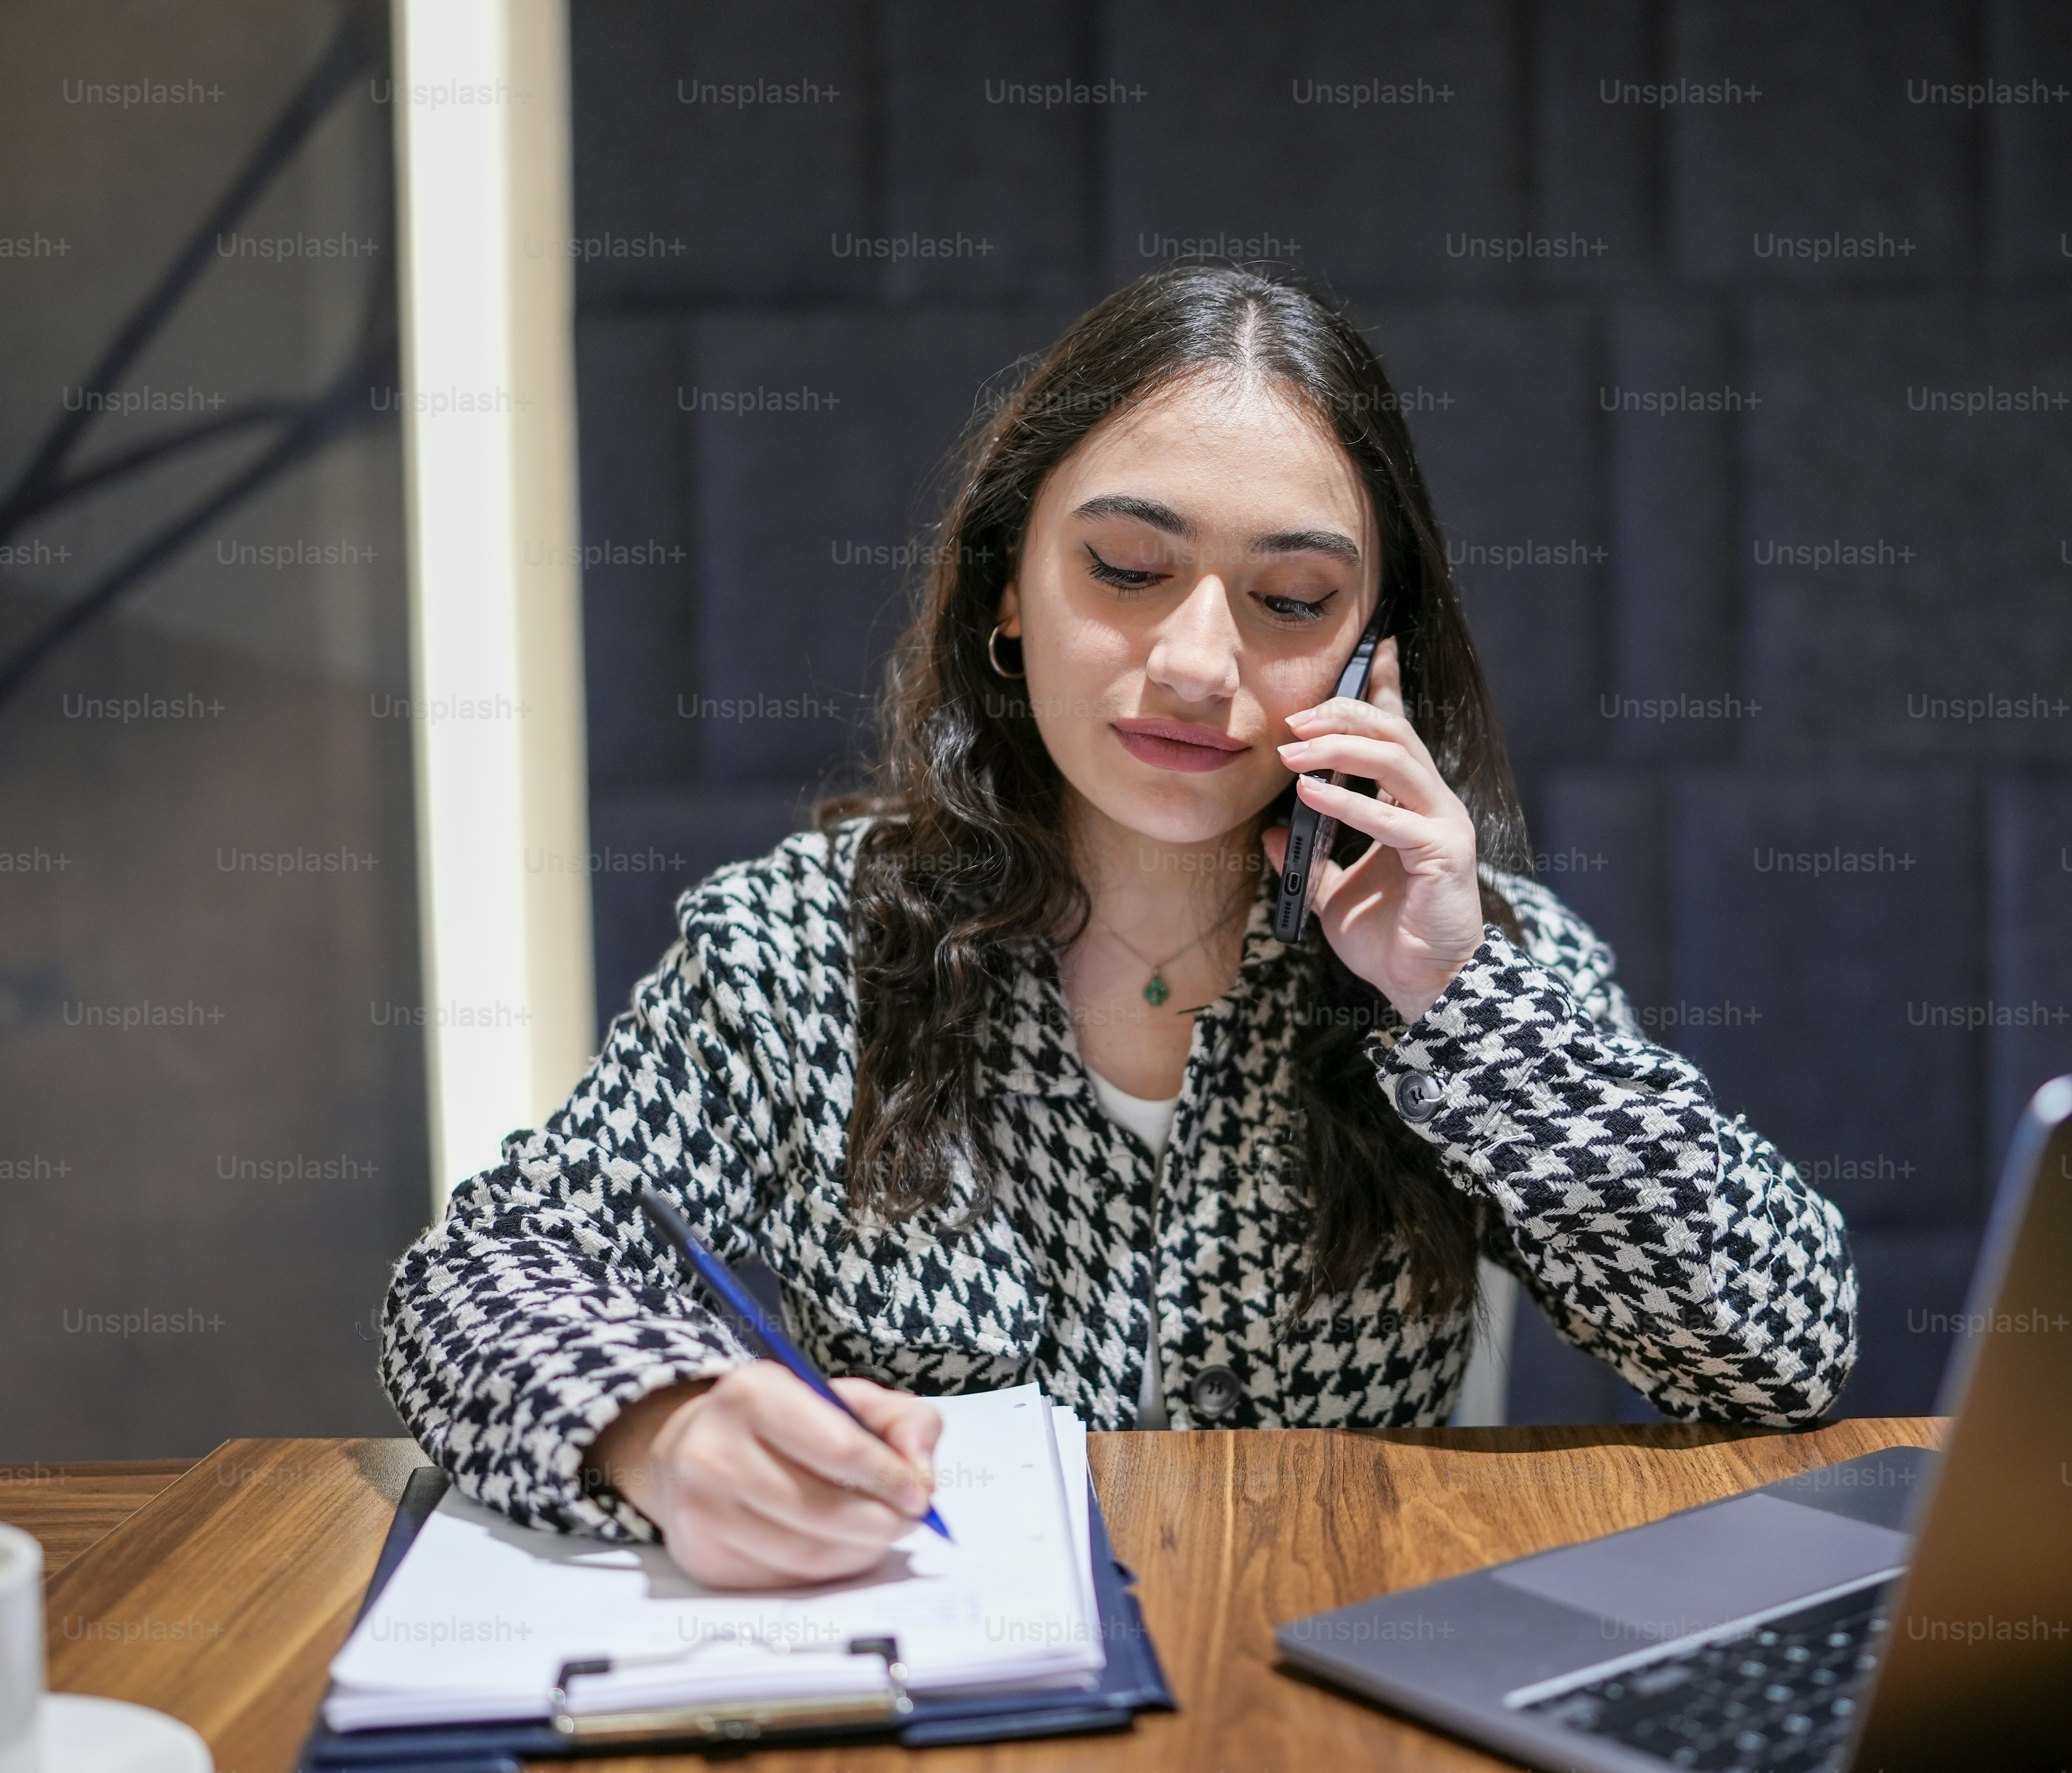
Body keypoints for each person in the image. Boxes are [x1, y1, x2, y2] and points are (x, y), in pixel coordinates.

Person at [380, 268, 1856, 1589]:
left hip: (1337, 1722)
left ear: (1370, 648)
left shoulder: (1480, 956)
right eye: (1129, 571)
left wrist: (1454, 995)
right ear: (1006, 593)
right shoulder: (804, 949)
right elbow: (486, 1271)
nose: (1202, 663)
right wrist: (664, 1429)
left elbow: (1786, 1355)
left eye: (1291, 599)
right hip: (948, 1735)